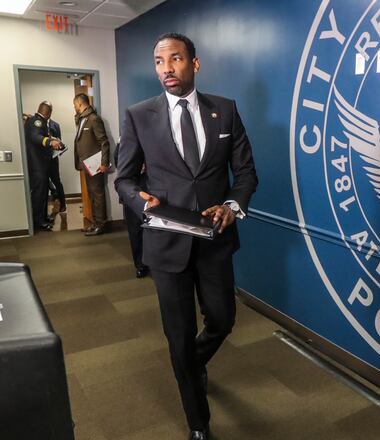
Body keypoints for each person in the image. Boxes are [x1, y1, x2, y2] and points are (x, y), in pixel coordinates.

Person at [115, 33, 258, 440]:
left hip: (214, 240)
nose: (166, 69)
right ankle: (199, 423)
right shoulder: (139, 115)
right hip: (165, 245)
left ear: (194, 64)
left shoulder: (225, 112)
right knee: (177, 335)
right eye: (159, 62)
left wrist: (232, 206)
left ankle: (191, 364)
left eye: (175, 59)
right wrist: (138, 201)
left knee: (223, 320)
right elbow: (123, 179)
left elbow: (245, 173)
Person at [73, 93, 110, 236]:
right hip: (86, 164)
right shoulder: (83, 119)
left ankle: (101, 224)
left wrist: (104, 163)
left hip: (95, 164)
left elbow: (104, 142)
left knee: (97, 194)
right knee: (92, 195)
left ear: (80, 103)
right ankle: (95, 223)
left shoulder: (94, 119)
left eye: (75, 105)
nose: (75, 108)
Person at [25, 101, 64, 231]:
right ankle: (38, 221)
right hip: (37, 166)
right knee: (39, 194)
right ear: (48, 112)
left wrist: (52, 139)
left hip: (41, 165)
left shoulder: (38, 121)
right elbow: (36, 137)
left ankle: (43, 217)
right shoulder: (37, 121)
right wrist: (49, 142)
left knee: (43, 193)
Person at [115, 141, 148, 278]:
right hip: (133, 189)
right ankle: (140, 265)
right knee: (135, 231)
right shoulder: (126, 137)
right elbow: (118, 158)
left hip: (154, 188)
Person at [47, 117, 67, 222]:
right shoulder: (39, 124)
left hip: (53, 159)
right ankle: (53, 197)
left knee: (57, 181)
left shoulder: (55, 125)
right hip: (41, 159)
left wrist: (56, 143)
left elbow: (59, 141)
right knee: (44, 182)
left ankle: (63, 205)